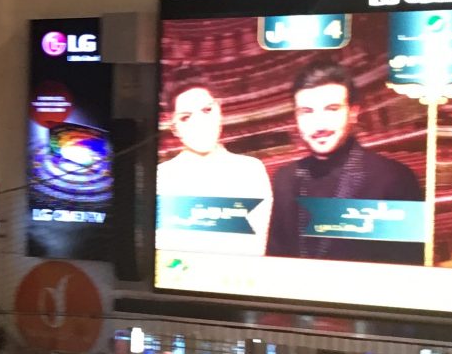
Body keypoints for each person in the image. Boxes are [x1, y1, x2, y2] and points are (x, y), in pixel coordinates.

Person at [266, 64, 424, 264]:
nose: (319, 125)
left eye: (332, 109)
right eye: (307, 112)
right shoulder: (284, 179)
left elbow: (407, 269)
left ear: (353, 112)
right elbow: (275, 262)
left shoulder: (394, 179)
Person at [157, 82, 274, 254]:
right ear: (175, 128)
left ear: (220, 111)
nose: (199, 123)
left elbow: (255, 247)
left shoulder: (250, 171)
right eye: (186, 117)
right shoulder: (162, 176)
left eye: (206, 110)